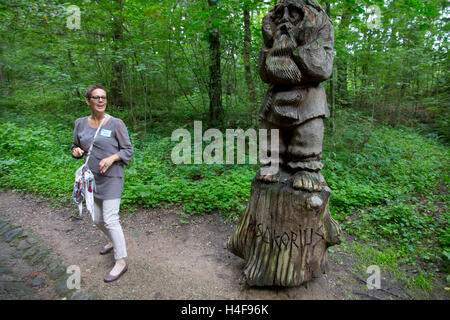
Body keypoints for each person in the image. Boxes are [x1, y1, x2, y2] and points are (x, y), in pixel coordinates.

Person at [71, 84, 133, 282]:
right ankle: (113, 241)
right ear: (88, 100)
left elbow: (127, 150)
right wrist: (76, 152)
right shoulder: (80, 123)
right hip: (91, 179)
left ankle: (121, 261)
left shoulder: (115, 123)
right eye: (96, 97)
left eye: (103, 97)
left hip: (113, 177)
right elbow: (75, 146)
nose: (101, 101)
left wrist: (112, 158)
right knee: (97, 219)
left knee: (110, 218)